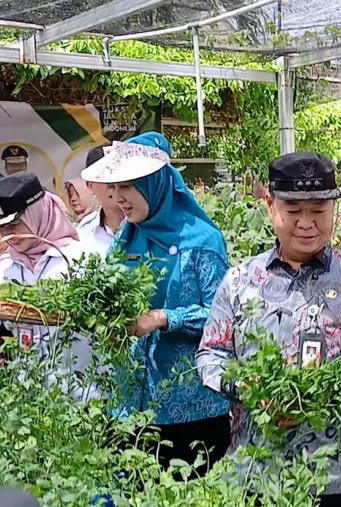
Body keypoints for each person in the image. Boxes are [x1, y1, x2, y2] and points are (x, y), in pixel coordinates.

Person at [196, 151, 341, 507]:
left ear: (334, 209)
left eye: (318, 212)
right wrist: (249, 389)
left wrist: (311, 399)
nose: (307, 224)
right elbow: (211, 353)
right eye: (294, 212)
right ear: (270, 205)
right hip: (252, 471)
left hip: (331, 476)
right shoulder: (241, 281)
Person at [81, 132, 231, 476]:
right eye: (114, 188)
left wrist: (164, 318)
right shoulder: (127, 238)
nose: (118, 198)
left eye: (128, 187)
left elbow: (223, 318)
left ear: (155, 183)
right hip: (131, 403)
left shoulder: (201, 241)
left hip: (190, 408)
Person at [0, 172, 92, 398]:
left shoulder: (81, 261)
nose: (8, 235)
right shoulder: (7, 268)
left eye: (15, 225)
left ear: (36, 215)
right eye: (2, 228)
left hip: (82, 397)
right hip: (28, 400)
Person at [75, 145, 124, 258]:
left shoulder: (147, 226)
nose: (113, 186)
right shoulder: (82, 234)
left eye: (119, 177)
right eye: (104, 178)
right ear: (90, 185)